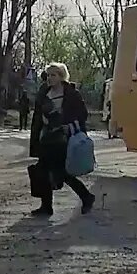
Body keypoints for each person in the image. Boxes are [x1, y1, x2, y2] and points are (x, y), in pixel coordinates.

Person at [28, 62, 96, 217]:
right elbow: (38, 116)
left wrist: (69, 126)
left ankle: (86, 197)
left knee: (61, 171)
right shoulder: (44, 93)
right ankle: (47, 207)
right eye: (49, 75)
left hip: (63, 138)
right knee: (43, 171)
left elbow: (82, 114)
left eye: (54, 75)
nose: (50, 78)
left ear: (61, 76)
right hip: (46, 137)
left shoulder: (71, 94)